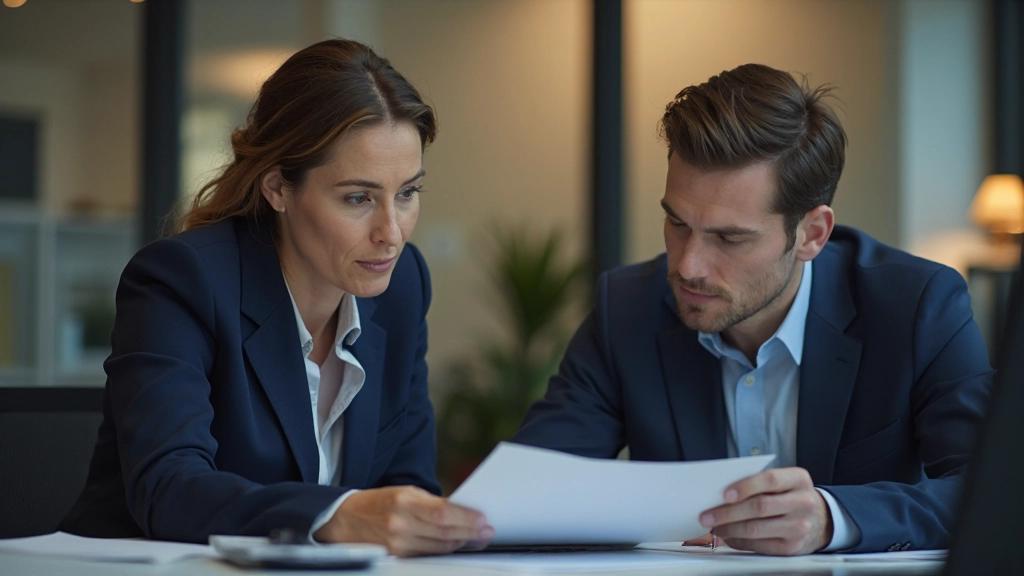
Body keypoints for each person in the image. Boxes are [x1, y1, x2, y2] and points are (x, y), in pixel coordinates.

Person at [512, 64, 992, 555]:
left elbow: (992, 492)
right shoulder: (627, 308)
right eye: (677, 224)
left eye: (729, 238)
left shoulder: (916, 306)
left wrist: (831, 518)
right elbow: (527, 491)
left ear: (811, 235)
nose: (688, 266)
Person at [60, 38, 492, 557]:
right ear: (278, 188)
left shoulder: (402, 287)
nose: (392, 233)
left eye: (407, 193)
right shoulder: (184, 280)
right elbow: (168, 487)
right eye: (358, 198)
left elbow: (407, 484)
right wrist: (336, 516)